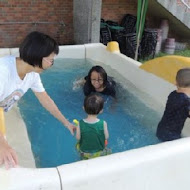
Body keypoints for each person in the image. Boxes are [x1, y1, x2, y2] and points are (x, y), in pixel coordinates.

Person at [0, 31, 75, 169]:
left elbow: (45, 100)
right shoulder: (3, 72)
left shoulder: (32, 74)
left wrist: (66, 123)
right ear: (40, 57)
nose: (52, 64)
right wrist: (3, 144)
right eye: (51, 60)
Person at [156, 68, 190, 142]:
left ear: (176, 83)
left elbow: (179, 109)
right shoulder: (186, 102)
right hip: (171, 135)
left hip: (161, 129)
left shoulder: (173, 94)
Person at [75, 94, 111, 160]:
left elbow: (78, 138)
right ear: (101, 111)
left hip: (85, 153)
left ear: (83, 108)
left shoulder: (80, 123)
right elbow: (106, 137)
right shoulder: (103, 123)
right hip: (99, 153)